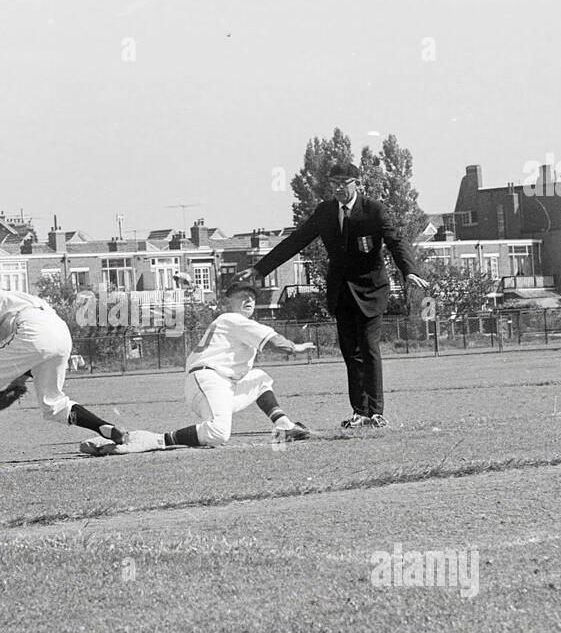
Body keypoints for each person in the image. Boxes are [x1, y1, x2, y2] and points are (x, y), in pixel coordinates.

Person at [236, 162, 427, 429]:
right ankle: (359, 413)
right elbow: (296, 241)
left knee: (369, 348)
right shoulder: (325, 211)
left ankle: (376, 412)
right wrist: (260, 269)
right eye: (334, 183)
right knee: (350, 352)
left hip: (371, 290)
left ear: (357, 183)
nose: (338, 188)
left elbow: (396, 241)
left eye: (344, 182)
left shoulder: (374, 210)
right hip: (341, 292)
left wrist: (408, 271)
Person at [85, 283, 315, 454]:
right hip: (208, 379)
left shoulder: (237, 323)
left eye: (252, 296)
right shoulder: (231, 318)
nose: (249, 300)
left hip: (220, 384)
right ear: (228, 303)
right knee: (218, 434)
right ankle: (155, 439)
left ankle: (284, 426)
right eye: (242, 296)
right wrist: (296, 347)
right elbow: (276, 343)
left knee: (260, 378)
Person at [0, 282, 129, 465]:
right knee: (54, 404)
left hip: (31, 329)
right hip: (59, 332)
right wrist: (15, 386)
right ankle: (106, 429)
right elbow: (20, 364)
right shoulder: (13, 297)